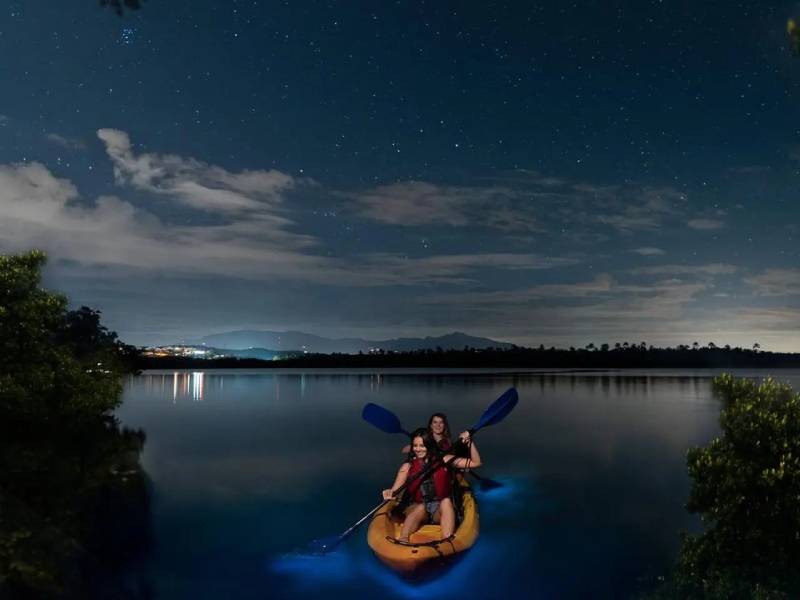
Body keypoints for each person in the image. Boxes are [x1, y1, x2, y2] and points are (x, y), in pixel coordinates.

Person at [382, 427, 481, 542]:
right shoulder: (407, 467)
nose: (418, 449)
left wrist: (470, 443)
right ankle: (403, 538)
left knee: (446, 501)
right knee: (421, 507)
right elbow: (394, 491)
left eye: (422, 446)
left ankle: (447, 540)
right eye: (415, 446)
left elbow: (476, 463)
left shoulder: (444, 459)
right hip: (417, 508)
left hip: (438, 511)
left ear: (429, 445)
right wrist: (389, 493)